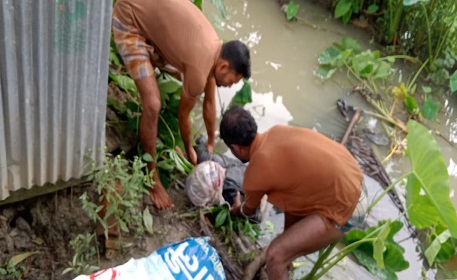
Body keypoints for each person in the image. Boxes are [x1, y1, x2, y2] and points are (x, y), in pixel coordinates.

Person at [112, 0, 251, 209]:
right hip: (129, 20)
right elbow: (183, 115)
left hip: (147, 20)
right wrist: (190, 151)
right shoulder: (200, 65)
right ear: (224, 66)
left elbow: (210, 102)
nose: (230, 84)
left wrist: (211, 143)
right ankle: (152, 178)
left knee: (184, 74)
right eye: (233, 80)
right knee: (152, 104)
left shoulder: (214, 49)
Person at [219, 106, 365, 280]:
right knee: (286, 239)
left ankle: (281, 265)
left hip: (349, 208)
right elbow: (293, 197)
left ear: (236, 148)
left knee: (275, 255)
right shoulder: (277, 131)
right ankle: (286, 268)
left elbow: (248, 210)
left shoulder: (256, 171)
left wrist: (237, 210)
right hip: (357, 181)